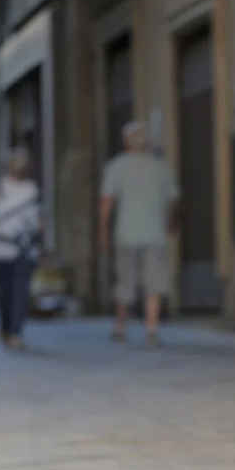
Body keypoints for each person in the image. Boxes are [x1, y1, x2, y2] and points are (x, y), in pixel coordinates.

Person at [99, 121, 179, 345]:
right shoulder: (160, 167)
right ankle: (151, 329)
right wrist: (172, 224)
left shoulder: (116, 166)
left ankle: (120, 327)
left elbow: (106, 203)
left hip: (126, 233)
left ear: (125, 142)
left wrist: (103, 232)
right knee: (154, 281)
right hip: (155, 233)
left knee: (125, 280)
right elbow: (173, 202)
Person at [0, 148, 41, 350]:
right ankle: (9, 330)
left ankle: (12, 331)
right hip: (15, 248)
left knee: (15, 292)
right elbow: (39, 222)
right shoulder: (31, 189)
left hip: (8, 248)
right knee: (11, 293)